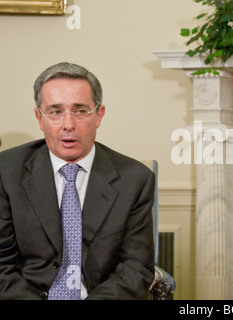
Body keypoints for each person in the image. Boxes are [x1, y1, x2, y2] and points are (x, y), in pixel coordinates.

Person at [0, 62, 155, 300]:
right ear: (39, 118)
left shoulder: (134, 179)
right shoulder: (7, 172)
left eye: (80, 111)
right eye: (55, 112)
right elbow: (2, 265)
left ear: (99, 115)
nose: (68, 124)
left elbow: (136, 268)